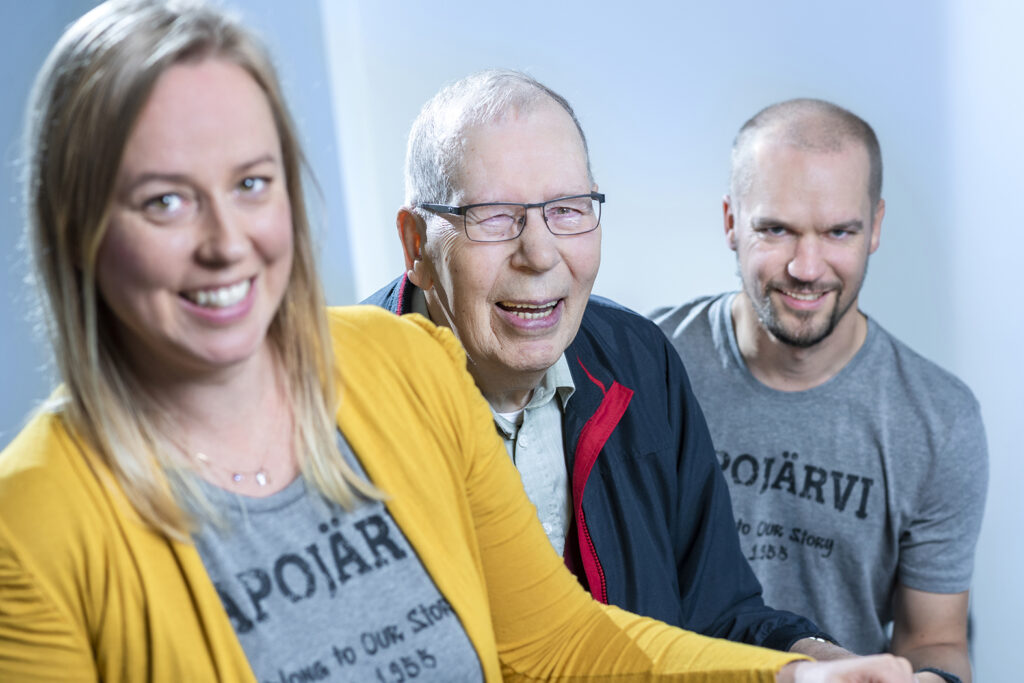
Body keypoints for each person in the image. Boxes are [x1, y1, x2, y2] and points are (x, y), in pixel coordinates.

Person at [0, 1, 917, 681]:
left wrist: (796, 673)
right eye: (165, 199)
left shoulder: (405, 366)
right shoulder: (32, 523)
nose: (225, 241)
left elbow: (557, 642)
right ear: (78, 228)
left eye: (251, 183)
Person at [365, 68, 919, 676]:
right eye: (494, 216)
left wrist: (819, 666)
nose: (540, 254)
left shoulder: (639, 360)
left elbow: (716, 614)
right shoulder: (342, 408)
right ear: (416, 245)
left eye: (567, 210)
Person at [651, 99, 988, 683]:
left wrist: (931, 679)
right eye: (776, 229)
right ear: (731, 221)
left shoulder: (940, 421)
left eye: (838, 232)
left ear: (875, 227)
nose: (807, 268)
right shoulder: (649, 365)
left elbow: (934, 638)